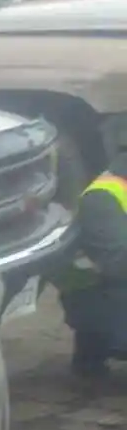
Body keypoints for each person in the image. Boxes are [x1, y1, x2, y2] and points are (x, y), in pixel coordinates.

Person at [62, 153, 127, 377]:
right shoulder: (103, 197)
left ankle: (91, 357)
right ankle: (100, 344)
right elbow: (117, 264)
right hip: (98, 294)